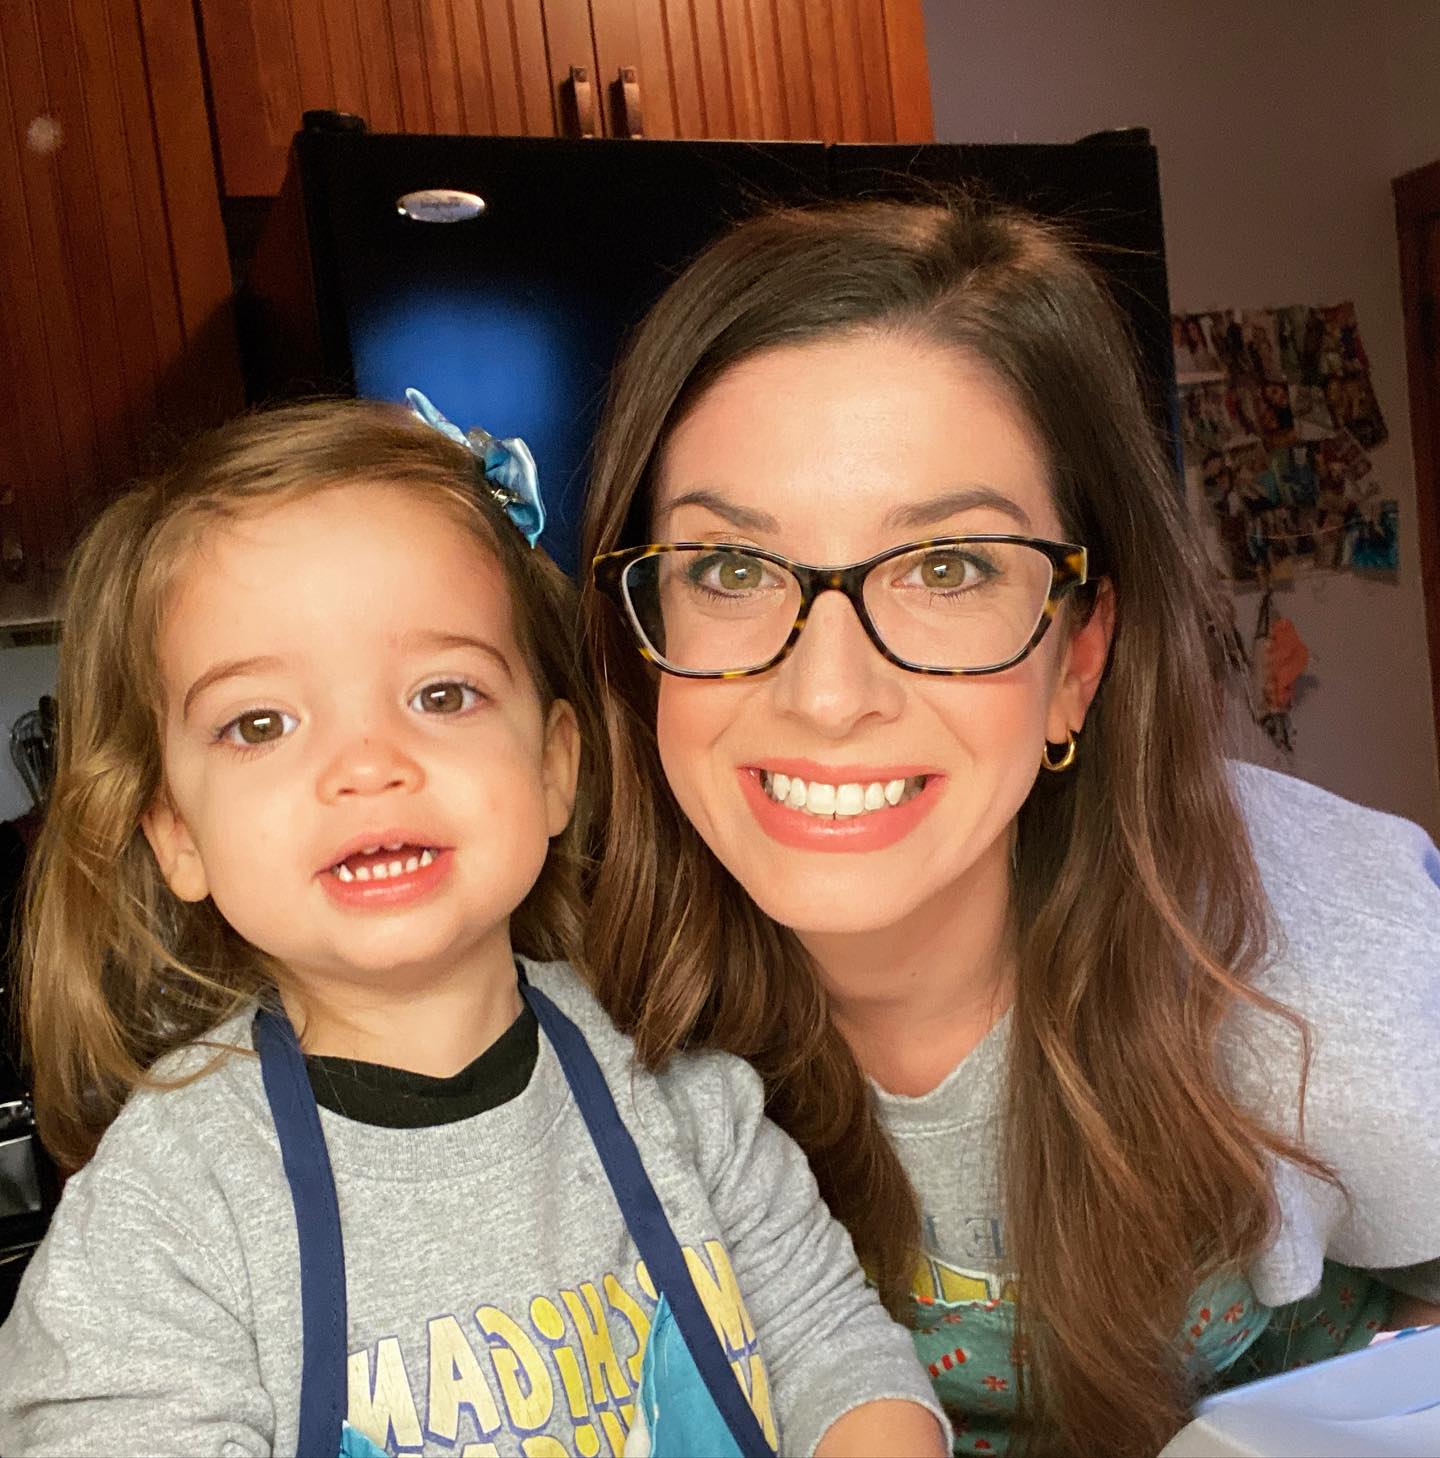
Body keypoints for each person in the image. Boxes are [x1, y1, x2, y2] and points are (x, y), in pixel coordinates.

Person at [577, 199, 1440, 1456]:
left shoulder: (1313, 949)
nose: (824, 698)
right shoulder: (560, 1002)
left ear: (1079, 658)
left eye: (946, 570)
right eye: (730, 569)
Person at [0, 398, 947, 1458]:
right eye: (260, 724)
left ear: (552, 768)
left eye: (442, 694)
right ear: (178, 836)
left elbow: (842, 1359)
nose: (366, 766)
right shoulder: (166, 1212)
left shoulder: (684, 1103)